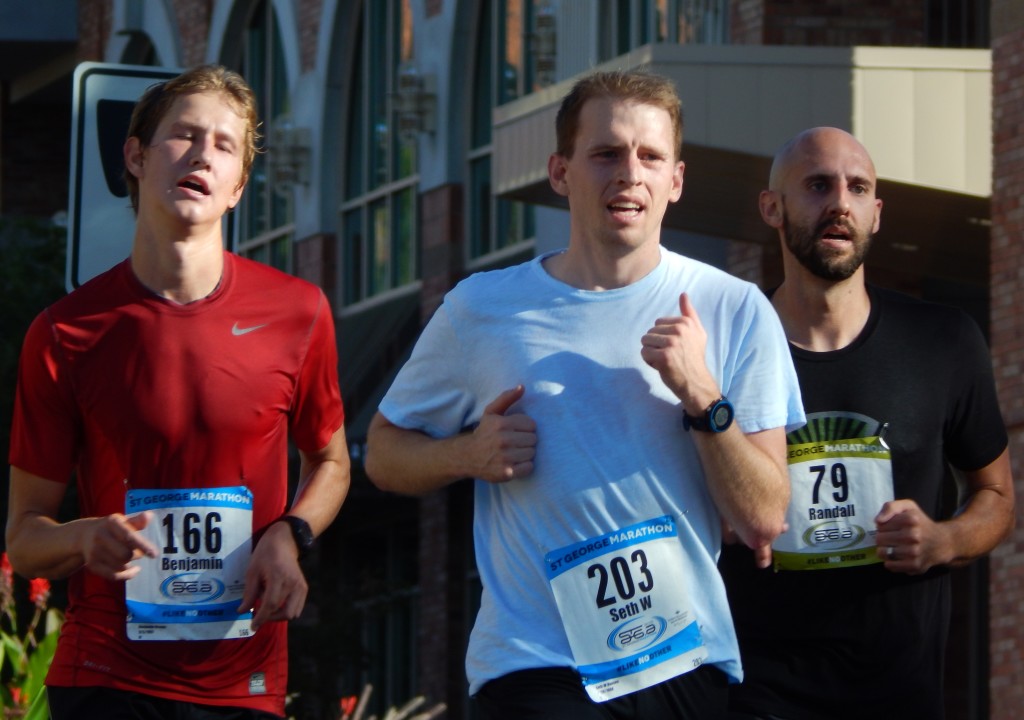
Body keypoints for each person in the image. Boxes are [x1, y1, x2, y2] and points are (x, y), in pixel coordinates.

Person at [364, 70, 805, 719]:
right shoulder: (482, 308)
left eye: (650, 156)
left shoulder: (733, 308)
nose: (629, 173)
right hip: (534, 662)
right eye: (605, 154)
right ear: (560, 171)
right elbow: (382, 452)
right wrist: (468, 455)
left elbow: (764, 516)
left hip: (682, 659)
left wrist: (703, 397)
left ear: (676, 181)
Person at [6, 65, 350, 719]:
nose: (201, 155)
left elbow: (331, 462)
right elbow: (23, 539)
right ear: (134, 156)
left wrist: (289, 534)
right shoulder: (64, 333)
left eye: (224, 145)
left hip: (243, 682)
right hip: (107, 675)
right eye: (183, 136)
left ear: (239, 187)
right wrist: (83, 537)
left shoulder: (298, 313)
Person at [719, 127, 1015, 719]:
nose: (839, 204)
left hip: (898, 693)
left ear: (876, 215)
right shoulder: (721, 350)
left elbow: (997, 494)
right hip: (755, 693)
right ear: (771, 207)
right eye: (818, 185)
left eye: (858, 188)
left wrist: (943, 540)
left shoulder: (943, 340)